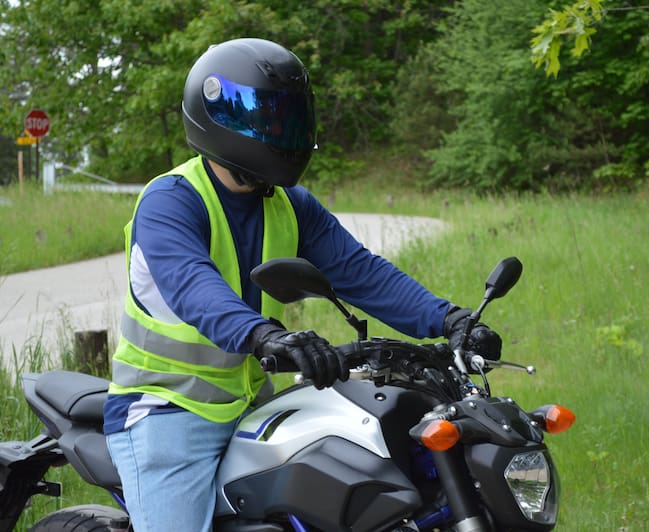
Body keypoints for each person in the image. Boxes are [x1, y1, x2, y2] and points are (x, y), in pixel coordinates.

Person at [102, 37, 501, 532]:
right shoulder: (171, 201)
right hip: (166, 411)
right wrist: (265, 334)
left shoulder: (290, 203)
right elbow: (192, 286)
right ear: (219, 120)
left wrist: (450, 319)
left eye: (289, 119)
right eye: (268, 120)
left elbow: (360, 271)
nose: (281, 131)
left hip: (253, 401)